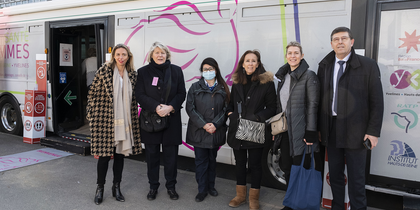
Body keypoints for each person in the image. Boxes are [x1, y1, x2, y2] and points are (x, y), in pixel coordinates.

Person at [317, 27, 384, 210]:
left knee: (356, 179)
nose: (340, 42)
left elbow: (377, 101)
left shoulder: (368, 65)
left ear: (351, 42)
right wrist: (319, 129)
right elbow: (319, 100)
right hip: (331, 129)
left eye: (344, 38)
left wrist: (373, 131)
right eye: (336, 39)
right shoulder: (324, 66)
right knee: (335, 176)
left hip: (358, 131)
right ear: (331, 44)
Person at [87, 44, 142, 205]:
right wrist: (91, 114)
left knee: (119, 156)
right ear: (114, 56)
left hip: (124, 121)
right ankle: (100, 188)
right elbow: (92, 94)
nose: (121, 57)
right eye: (118, 54)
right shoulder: (103, 71)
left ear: (128, 56)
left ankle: (116, 187)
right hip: (105, 121)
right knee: (104, 157)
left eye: (124, 54)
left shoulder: (132, 74)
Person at [272, 41, 322, 210]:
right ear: (286, 56)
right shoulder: (283, 76)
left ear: (302, 56)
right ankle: (291, 203)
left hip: (302, 130)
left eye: (296, 53)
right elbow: (280, 106)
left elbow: (313, 105)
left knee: (300, 167)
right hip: (285, 130)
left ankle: (301, 204)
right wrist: (276, 128)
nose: (292, 56)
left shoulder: (309, 75)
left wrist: (311, 131)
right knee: (286, 166)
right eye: (290, 53)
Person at [135, 41, 186, 201]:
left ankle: (171, 186)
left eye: (162, 52)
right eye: (156, 52)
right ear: (151, 55)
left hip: (171, 119)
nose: (160, 55)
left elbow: (181, 93)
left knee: (171, 157)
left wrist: (170, 107)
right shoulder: (143, 72)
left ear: (167, 55)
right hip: (150, 120)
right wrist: (157, 107)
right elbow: (140, 95)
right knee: (152, 156)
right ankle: (153, 187)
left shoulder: (176, 71)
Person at [226, 50, 276, 210]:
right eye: (247, 61)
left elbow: (272, 107)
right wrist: (230, 114)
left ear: (258, 63)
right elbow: (231, 103)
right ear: (242, 64)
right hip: (237, 129)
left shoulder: (267, 83)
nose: (250, 64)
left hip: (255, 129)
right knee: (240, 164)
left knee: (255, 165)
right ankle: (240, 196)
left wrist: (257, 118)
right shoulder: (236, 82)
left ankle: (254, 199)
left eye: (253, 61)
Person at [186, 57, 230, 202]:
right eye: (205, 69)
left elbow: (226, 109)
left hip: (215, 132)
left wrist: (215, 125)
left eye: (211, 69)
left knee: (212, 160)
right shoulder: (195, 87)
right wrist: (204, 124)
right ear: (202, 71)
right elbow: (190, 108)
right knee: (201, 162)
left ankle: (211, 186)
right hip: (199, 131)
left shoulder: (223, 88)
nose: (208, 72)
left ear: (216, 70)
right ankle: (202, 190)